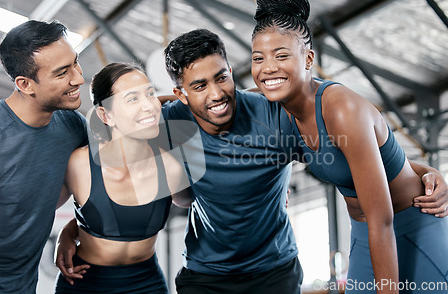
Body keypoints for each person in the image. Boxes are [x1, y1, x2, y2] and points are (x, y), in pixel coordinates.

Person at [57, 29, 448, 294]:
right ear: (180, 93)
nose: (216, 94)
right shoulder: (170, 122)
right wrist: (77, 226)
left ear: (232, 71)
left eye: (222, 77)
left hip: (274, 271)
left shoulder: (275, 117)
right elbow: (119, 165)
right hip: (205, 274)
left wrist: (422, 171)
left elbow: (352, 155)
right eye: (198, 86)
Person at [250, 0, 448, 294]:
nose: (268, 68)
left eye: (282, 55)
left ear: (308, 59)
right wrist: (155, 104)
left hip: (409, 228)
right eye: (258, 58)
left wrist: (428, 174)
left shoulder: (341, 108)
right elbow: (216, 101)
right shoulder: (279, 108)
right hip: (365, 235)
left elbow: (382, 220)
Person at [0, 20, 88, 293]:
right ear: (25, 84)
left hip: (24, 284)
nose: (79, 78)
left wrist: (70, 231)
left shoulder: (72, 125)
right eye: (62, 73)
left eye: (75, 63)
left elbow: (89, 187)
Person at [54, 62, 191, 294]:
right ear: (106, 115)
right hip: (83, 283)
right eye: (132, 99)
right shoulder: (79, 164)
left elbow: (205, 207)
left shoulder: (171, 167)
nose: (148, 106)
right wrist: (65, 235)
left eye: (150, 94)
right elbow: (34, 213)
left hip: (146, 284)